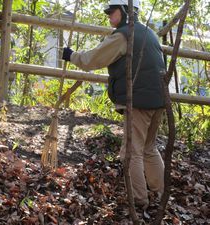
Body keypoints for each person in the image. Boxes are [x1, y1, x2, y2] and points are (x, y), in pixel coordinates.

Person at [62, 0, 165, 208]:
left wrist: (71, 55)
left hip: (138, 102)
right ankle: (160, 194)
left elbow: (93, 59)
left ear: (127, 11)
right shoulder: (149, 33)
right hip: (159, 101)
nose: (108, 15)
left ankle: (138, 200)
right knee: (149, 148)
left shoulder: (123, 35)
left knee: (131, 152)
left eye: (112, 11)